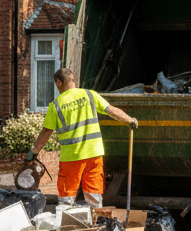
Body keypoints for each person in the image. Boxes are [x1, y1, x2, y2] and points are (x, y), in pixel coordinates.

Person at [29, 68, 137, 208]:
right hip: (94, 154)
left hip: (71, 157)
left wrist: (34, 151)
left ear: (58, 82)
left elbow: (46, 131)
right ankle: (96, 222)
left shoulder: (56, 105)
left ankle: (67, 223)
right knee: (94, 193)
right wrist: (130, 120)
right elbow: (111, 110)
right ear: (73, 80)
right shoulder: (90, 95)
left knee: (67, 196)